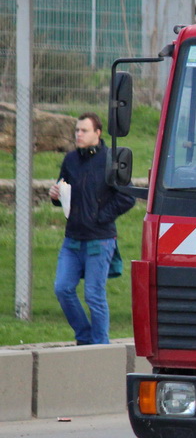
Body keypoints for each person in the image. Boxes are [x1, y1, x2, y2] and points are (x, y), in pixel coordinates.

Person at [48, 113, 136, 345]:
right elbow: (62, 189)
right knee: (62, 288)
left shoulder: (111, 160)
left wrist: (100, 216)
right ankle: (84, 338)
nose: (78, 134)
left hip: (100, 240)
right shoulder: (70, 160)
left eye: (83, 130)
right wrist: (55, 195)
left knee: (94, 296)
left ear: (97, 133)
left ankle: (100, 345)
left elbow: (127, 198)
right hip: (73, 239)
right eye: (76, 130)